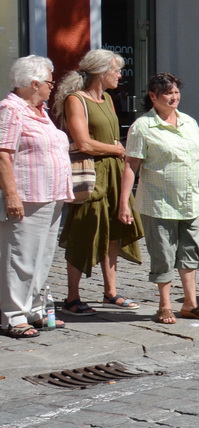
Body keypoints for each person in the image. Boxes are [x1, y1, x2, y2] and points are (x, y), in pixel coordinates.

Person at [118, 72, 199, 326]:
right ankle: (164, 305)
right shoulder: (142, 127)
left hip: (190, 201)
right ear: (153, 97)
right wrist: (124, 202)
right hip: (158, 203)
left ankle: (190, 304)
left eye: (176, 92)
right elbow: (131, 165)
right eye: (168, 93)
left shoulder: (189, 123)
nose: (174, 97)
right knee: (163, 255)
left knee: (189, 253)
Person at [53, 49, 142, 313]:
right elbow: (82, 142)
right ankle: (72, 297)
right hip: (91, 175)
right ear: (101, 72)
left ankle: (110, 292)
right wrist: (117, 149)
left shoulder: (108, 99)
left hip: (114, 172)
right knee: (84, 231)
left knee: (113, 232)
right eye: (116, 70)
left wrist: (117, 150)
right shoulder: (75, 100)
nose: (119, 75)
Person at [0, 56, 72, 336]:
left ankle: (34, 309)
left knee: (42, 257)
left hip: (51, 195)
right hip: (27, 195)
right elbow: (4, 154)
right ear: (34, 83)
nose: (52, 87)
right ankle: (13, 315)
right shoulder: (10, 109)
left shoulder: (40, 111)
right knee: (19, 256)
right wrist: (12, 195)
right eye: (50, 82)